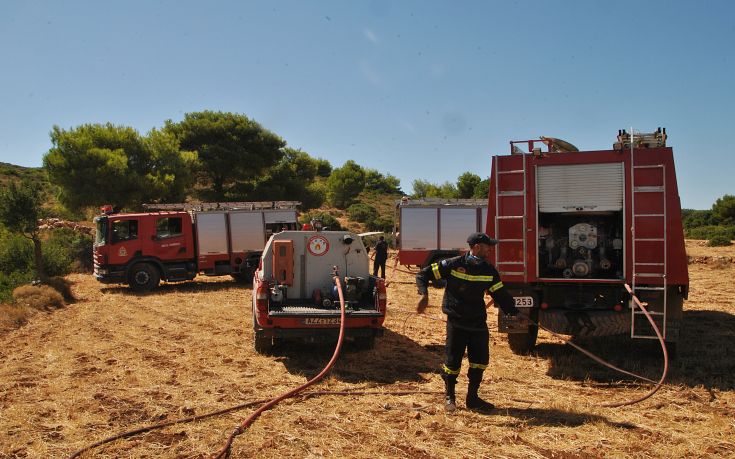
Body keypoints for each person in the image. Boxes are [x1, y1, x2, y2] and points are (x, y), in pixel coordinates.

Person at [416, 232, 519, 412]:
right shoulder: (454, 264)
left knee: (479, 361)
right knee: (452, 362)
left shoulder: (488, 270)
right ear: (477, 247)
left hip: (478, 322)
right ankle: (450, 398)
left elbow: (500, 294)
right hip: (457, 321)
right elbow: (423, 275)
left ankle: (473, 398)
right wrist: (424, 295)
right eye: (488, 246)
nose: (490, 250)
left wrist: (515, 312)